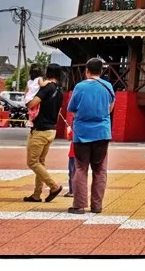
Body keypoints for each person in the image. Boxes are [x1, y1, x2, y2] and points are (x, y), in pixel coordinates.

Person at [67, 57, 116, 215]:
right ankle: (97, 205)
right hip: (102, 131)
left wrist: (82, 117)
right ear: (101, 71)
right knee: (100, 170)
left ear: (86, 71)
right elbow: (110, 107)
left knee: (80, 168)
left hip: (82, 132)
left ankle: (79, 205)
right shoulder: (108, 86)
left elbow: (72, 109)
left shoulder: (80, 87)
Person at [22, 65, 65, 204]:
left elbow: (31, 104)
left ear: (47, 73)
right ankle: (36, 194)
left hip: (40, 130)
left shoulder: (46, 88)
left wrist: (27, 94)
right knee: (40, 162)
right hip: (51, 129)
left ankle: (54, 186)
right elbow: (58, 111)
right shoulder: (60, 90)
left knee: (32, 162)